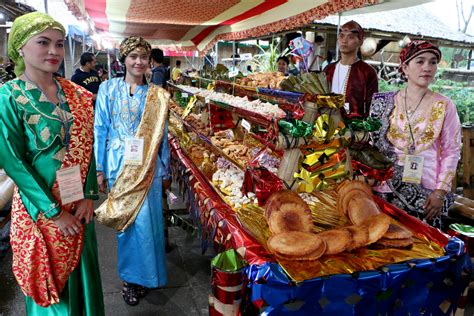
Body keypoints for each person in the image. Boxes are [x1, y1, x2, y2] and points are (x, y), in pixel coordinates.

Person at [0, 12, 104, 314]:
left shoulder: (76, 94)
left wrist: (89, 195)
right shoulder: (8, 97)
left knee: (83, 277)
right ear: (20, 46)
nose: (54, 52)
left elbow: (86, 145)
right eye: (43, 43)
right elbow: (14, 162)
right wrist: (55, 213)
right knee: (53, 290)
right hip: (40, 209)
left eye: (59, 44)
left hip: (78, 204)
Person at [94, 36, 170, 306]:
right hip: (117, 164)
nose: (138, 62)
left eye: (143, 57)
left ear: (150, 61)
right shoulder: (108, 88)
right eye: (133, 56)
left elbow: (163, 135)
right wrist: (100, 169)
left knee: (148, 224)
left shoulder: (157, 95)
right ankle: (129, 278)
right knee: (126, 223)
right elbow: (100, 128)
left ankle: (147, 277)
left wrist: (165, 168)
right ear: (123, 59)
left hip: (148, 165)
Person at [370, 40, 461, 229]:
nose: (427, 67)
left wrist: (440, 191)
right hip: (383, 189)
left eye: (433, 61)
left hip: (426, 195)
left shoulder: (445, 105)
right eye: (420, 61)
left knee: (422, 251)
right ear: (405, 67)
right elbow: (371, 147)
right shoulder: (383, 102)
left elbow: (451, 151)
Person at [324, 20, 378, 119]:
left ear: (360, 41)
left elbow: (373, 107)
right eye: (341, 36)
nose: (344, 40)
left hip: (353, 129)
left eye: (351, 37)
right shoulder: (328, 69)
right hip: (325, 125)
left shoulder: (367, 72)